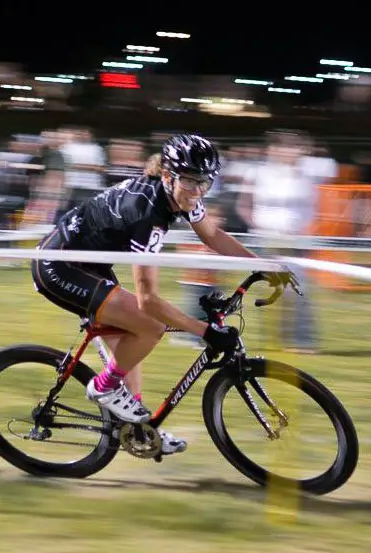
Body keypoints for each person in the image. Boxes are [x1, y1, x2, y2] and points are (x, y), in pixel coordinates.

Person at [30, 133, 296, 454]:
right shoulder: (148, 214)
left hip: (89, 262)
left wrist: (263, 265)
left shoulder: (180, 195)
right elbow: (149, 301)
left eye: (205, 183)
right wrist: (205, 331)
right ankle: (103, 387)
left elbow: (212, 235)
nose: (198, 192)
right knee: (150, 325)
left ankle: (137, 431)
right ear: (168, 176)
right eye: (190, 182)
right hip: (59, 266)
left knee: (130, 347)